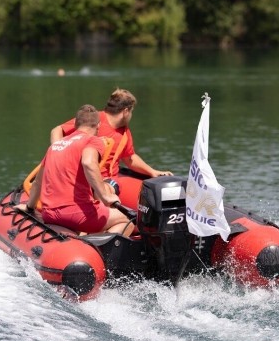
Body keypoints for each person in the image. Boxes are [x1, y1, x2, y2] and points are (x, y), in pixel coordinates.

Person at [17, 105, 131, 235]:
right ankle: (99, 252)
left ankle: (81, 243)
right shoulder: (92, 141)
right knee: (128, 220)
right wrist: (106, 196)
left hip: (49, 214)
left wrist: (29, 207)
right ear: (98, 125)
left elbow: (38, 182)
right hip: (76, 213)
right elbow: (88, 163)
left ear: (76, 123)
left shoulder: (55, 145)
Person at [50, 88, 172, 180]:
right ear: (125, 111)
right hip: (86, 180)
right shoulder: (93, 119)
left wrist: (152, 172)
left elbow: (129, 159)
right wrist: (58, 155)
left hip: (110, 183)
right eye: (131, 111)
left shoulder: (125, 132)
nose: (131, 115)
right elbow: (57, 130)